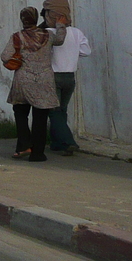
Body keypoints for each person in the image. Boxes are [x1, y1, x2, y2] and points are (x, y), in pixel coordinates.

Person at [3, 6, 65, 162]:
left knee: (20, 112)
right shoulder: (48, 35)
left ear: (22, 19)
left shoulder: (17, 37)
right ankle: (38, 153)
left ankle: (24, 144)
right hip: (44, 80)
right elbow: (60, 39)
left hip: (23, 80)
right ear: (36, 18)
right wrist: (61, 24)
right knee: (40, 117)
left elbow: (5, 56)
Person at [48, 11, 90, 156]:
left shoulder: (49, 32)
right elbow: (86, 51)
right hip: (69, 76)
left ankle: (68, 142)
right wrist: (71, 53)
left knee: (54, 111)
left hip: (54, 75)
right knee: (62, 110)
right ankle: (57, 142)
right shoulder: (77, 33)